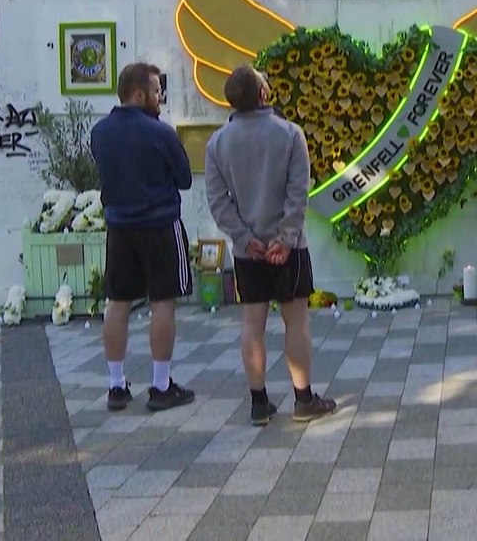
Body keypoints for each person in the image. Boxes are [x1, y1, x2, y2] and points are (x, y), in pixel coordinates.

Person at [204, 66, 337, 426]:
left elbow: (218, 201)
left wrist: (245, 238)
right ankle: (303, 399)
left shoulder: (217, 143)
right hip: (288, 249)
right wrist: (285, 238)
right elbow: (299, 191)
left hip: (248, 252)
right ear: (263, 94)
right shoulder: (290, 134)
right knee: (297, 321)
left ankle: (259, 403)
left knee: (252, 322)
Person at [90, 62, 196, 413]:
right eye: (156, 90)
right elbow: (184, 178)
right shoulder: (160, 132)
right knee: (162, 303)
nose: (160, 96)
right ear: (139, 93)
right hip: (160, 225)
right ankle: (161, 386)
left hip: (119, 229)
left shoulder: (100, 132)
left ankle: (116, 385)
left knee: (117, 304)